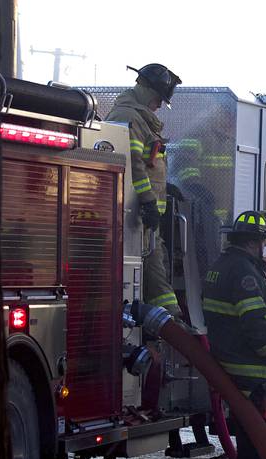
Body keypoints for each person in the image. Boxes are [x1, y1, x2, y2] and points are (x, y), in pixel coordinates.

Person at [202, 211, 266, 459]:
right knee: (263, 434)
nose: (264, 247)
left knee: (249, 434)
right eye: (263, 242)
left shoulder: (222, 265)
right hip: (253, 367)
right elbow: (254, 324)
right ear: (254, 242)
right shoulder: (245, 273)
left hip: (231, 361)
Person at [105, 63, 182, 316]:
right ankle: (173, 327)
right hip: (135, 217)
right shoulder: (128, 117)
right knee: (155, 274)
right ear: (147, 88)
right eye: (160, 98)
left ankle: (169, 326)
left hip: (144, 220)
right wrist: (149, 201)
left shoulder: (139, 118)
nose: (160, 104)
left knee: (157, 272)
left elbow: (147, 164)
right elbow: (132, 164)